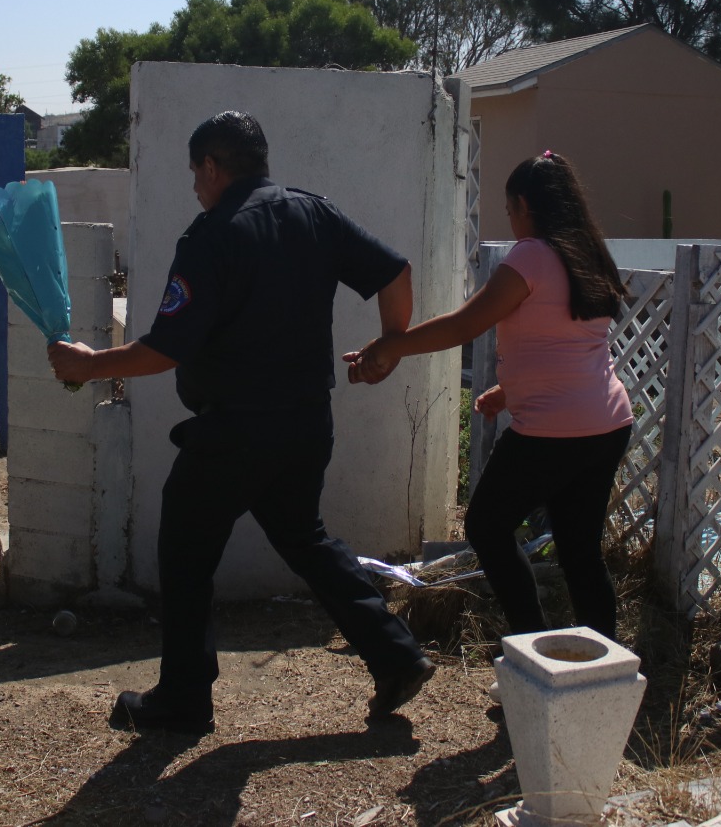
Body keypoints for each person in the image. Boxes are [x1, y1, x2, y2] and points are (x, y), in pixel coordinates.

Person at [48, 111, 434, 734]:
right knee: (305, 538)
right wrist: (390, 346)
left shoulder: (212, 236)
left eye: (194, 174)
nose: (194, 188)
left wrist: (91, 365)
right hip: (305, 423)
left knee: (185, 550)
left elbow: (165, 349)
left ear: (211, 166)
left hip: (235, 432)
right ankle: (396, 655)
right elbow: (396, 274)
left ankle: (182, 701)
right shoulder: (314, 213)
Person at [346, 151, 633, 640]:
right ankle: (604, 664)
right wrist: (509, 389)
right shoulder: (589, 255)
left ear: (525, 205)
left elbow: (465, 325)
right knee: (581, 552)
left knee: (486, 526)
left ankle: (529, 643)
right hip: (607, 425)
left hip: (553, 432)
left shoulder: (531, 255)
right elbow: (569, 342)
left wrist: (390, 345)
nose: (512, 222)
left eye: (509, 210)